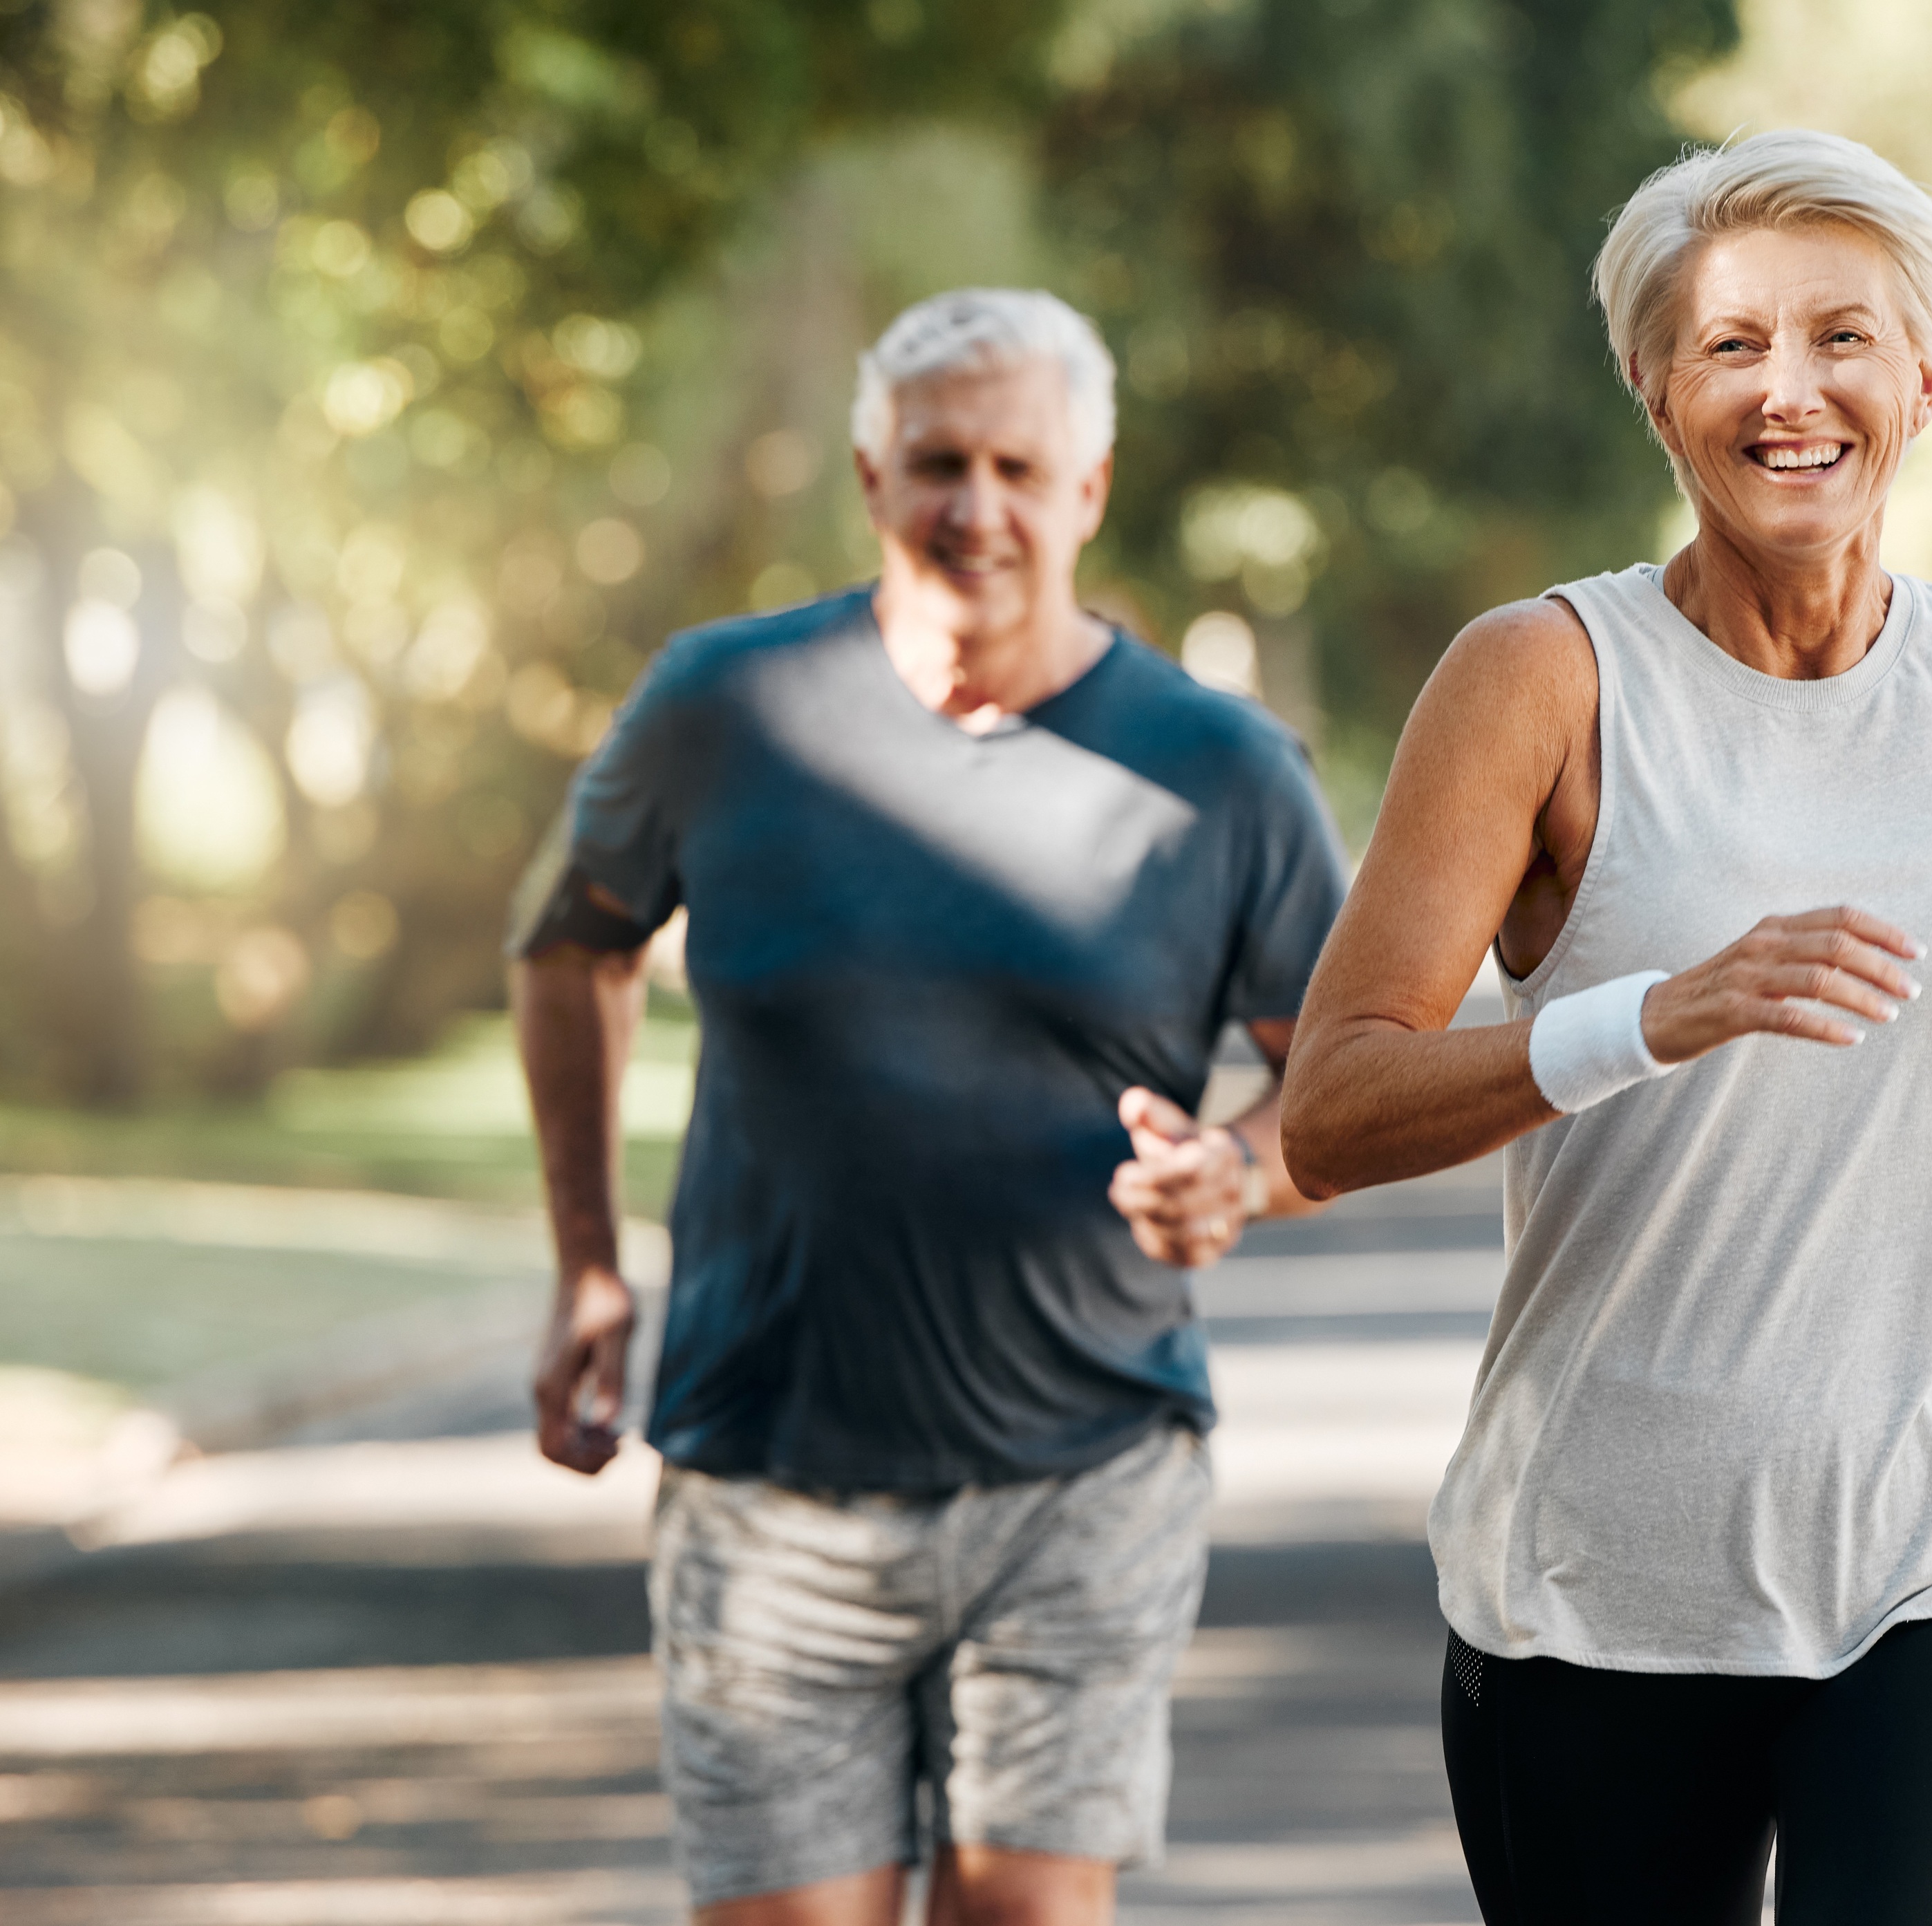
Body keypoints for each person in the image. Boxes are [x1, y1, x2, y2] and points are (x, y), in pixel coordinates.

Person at [1282, 131, 1932, 1925]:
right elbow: (1331, 1109)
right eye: (1728, 348)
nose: (1788, 393)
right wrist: (1649, 1015)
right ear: (1651, 390)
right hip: (1594, 1573)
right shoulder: (1537, 683)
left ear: (1923, 381)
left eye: (1840, 339)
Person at [509, 288, 1347, 1926]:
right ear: (873, 477)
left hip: (1086, 1465)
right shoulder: (721, 708)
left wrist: (1241, 1172)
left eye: (1022, 469)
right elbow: (572, 950)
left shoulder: (1225, 771)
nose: (982, 507)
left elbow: (1350, 1069)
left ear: (1088, 490)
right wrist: (588, 1260)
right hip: (769, 1474)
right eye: (941, 463)